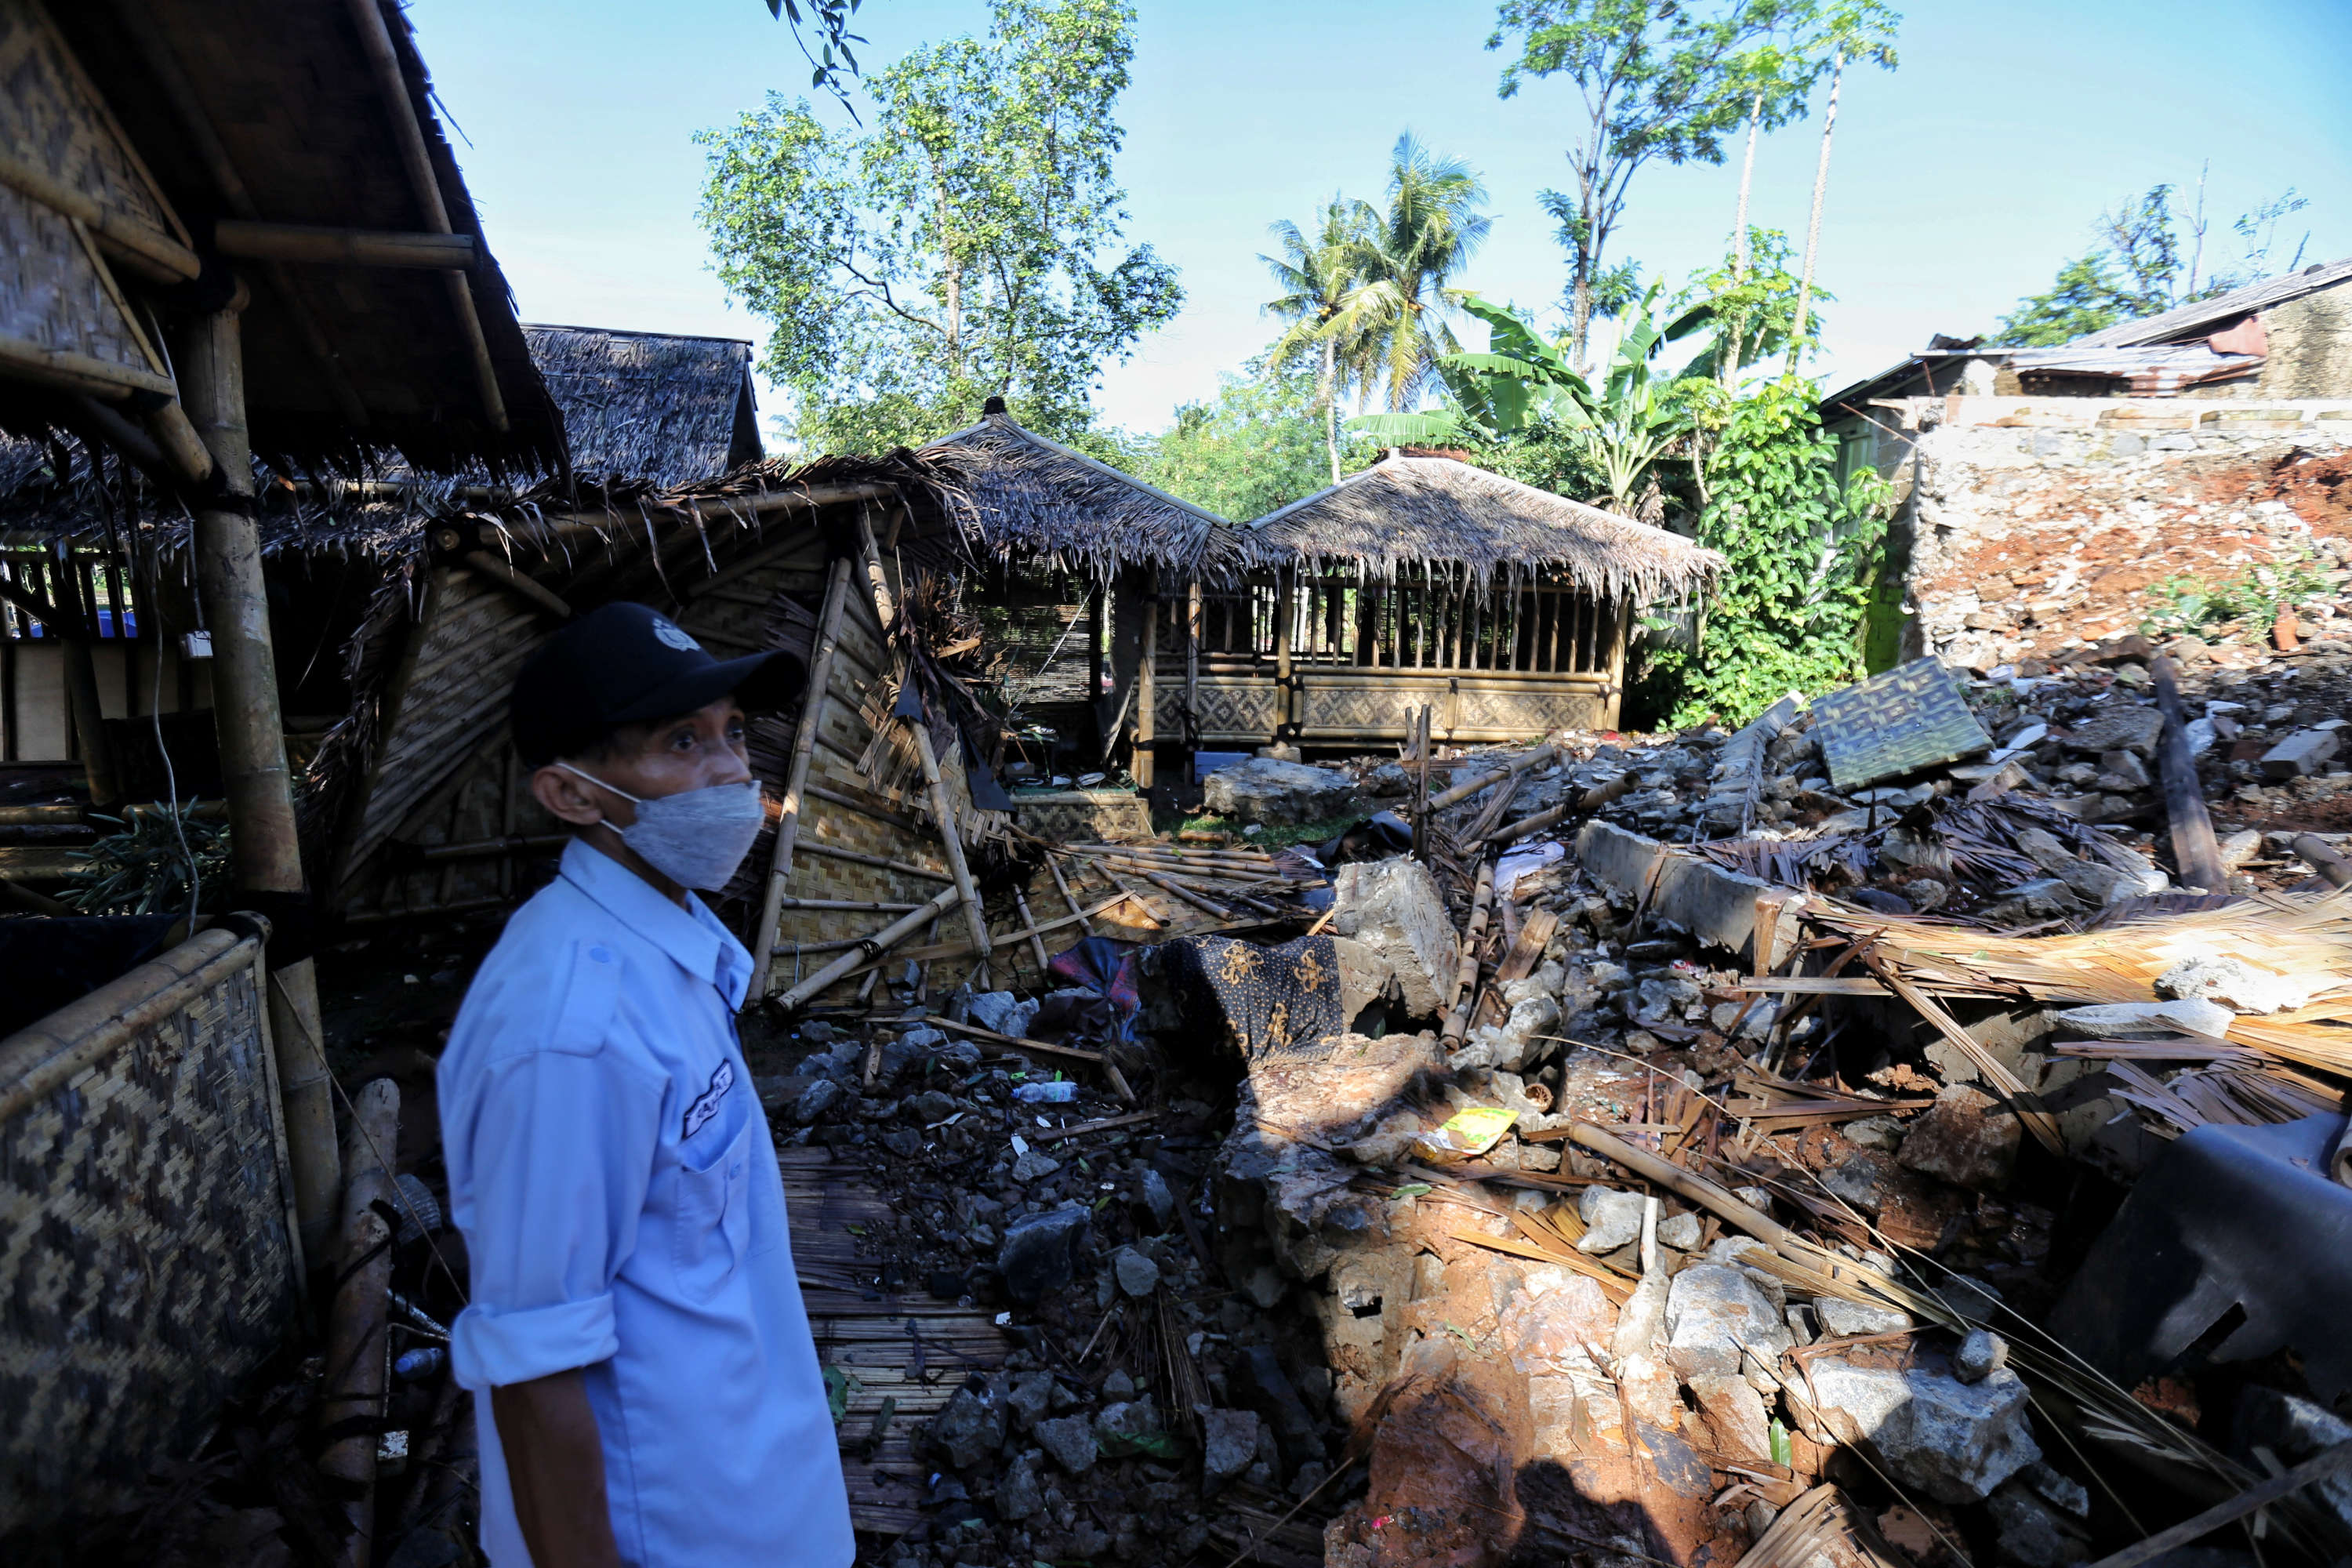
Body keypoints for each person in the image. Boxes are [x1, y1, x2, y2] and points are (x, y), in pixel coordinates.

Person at [436, 601, 853, 1566]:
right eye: (680, 741)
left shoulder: (665, 949)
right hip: (672, 1524)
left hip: (756, 1479)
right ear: (572, 794)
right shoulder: (568, 1031)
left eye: (733, 733)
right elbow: (535, 1357)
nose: (733, 773)